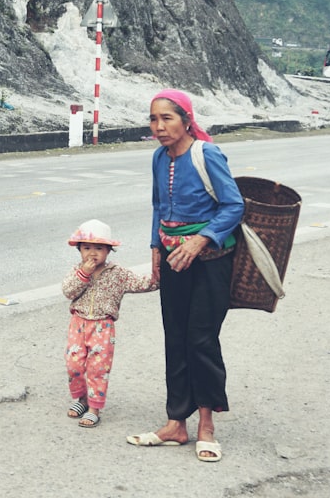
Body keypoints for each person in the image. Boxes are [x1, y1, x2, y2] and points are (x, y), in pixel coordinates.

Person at [126, 89, 244, 462]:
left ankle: (206, 426)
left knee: (201, 339)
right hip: (172, 258)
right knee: (174, 337)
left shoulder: (207, 154)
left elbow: (233, 205)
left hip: (210, 260)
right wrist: (155, 249)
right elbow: (158, 206)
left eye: (167, 119)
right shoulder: (159, 158)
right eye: (153, 119)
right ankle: (176, 422)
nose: (159, 127)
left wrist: (199, 240)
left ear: (186, 120)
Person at [62, 219, 158, 428]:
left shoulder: (118, 273)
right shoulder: (77, 270)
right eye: (87, 248)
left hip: (103, 326)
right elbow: (68, 291)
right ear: (79, 250)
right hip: (78, 323)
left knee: (98, 368)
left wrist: (159, 275)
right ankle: (82, 399)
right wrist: (84, 275)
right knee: (74, 364)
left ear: (109, 250)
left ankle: (94, 408)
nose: (92, 253)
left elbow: (142, 284)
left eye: (99, 248)